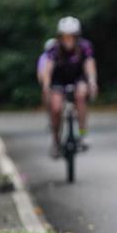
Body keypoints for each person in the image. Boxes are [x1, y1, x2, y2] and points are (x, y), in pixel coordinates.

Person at [40, 17, 98, 158]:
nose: (68, 40)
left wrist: (92, 81)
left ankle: (83, 133)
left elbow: (89, 64)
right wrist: (46, 86)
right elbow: (48, 68)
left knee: (80, 95)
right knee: (56, 107)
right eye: (65, 37)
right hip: (59, 79)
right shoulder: (54, 48)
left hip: (78, 78)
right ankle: (56, 140)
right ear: (60, 36)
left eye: (71, 36)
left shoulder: (85, 46)